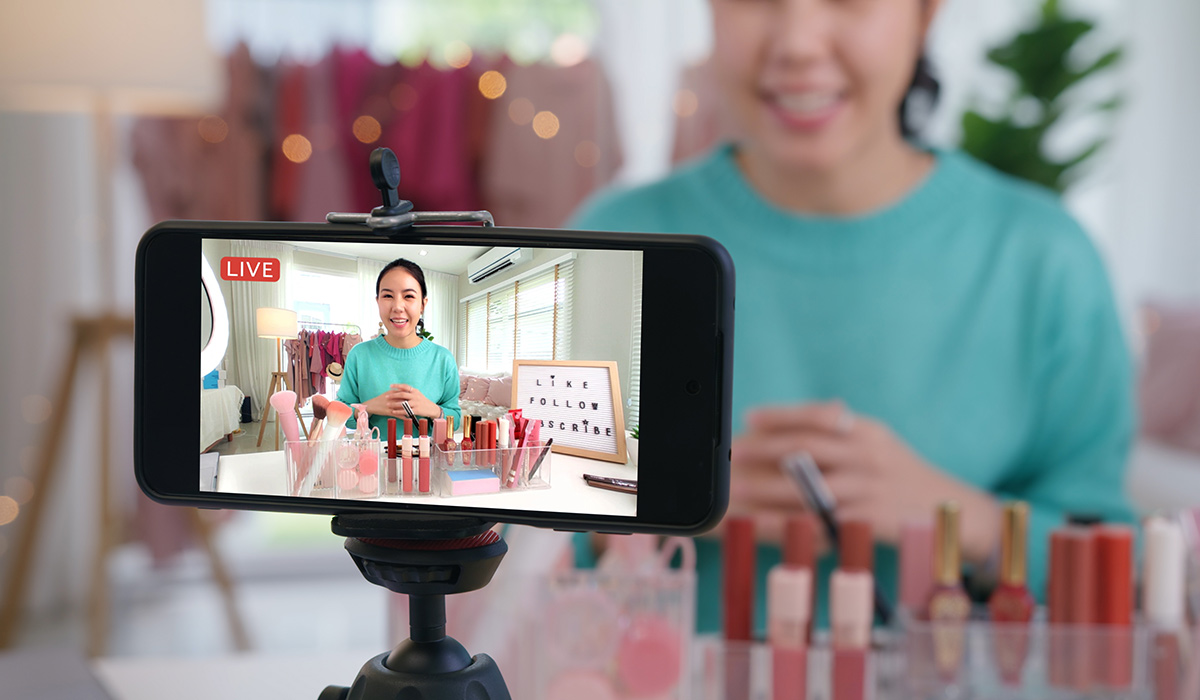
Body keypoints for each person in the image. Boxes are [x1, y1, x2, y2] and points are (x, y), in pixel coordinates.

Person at [570, 0, 1134, 632]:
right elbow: (515, 545)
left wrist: (958, 519)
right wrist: (661, 500)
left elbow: (1120, 566)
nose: (799, 44)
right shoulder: (609, 241)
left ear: (925, 17)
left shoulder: (1045, 258)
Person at [338, 258, 462, 438]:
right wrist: (369, 407)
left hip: (426, 459)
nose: (397, 307)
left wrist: (433, 410)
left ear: (423, 305)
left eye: (409, 296)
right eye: (388, 296)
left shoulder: (443, 358)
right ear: (378, 301)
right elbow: (341, 412)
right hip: (375, 460)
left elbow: (455, 419)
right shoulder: (359, 355)